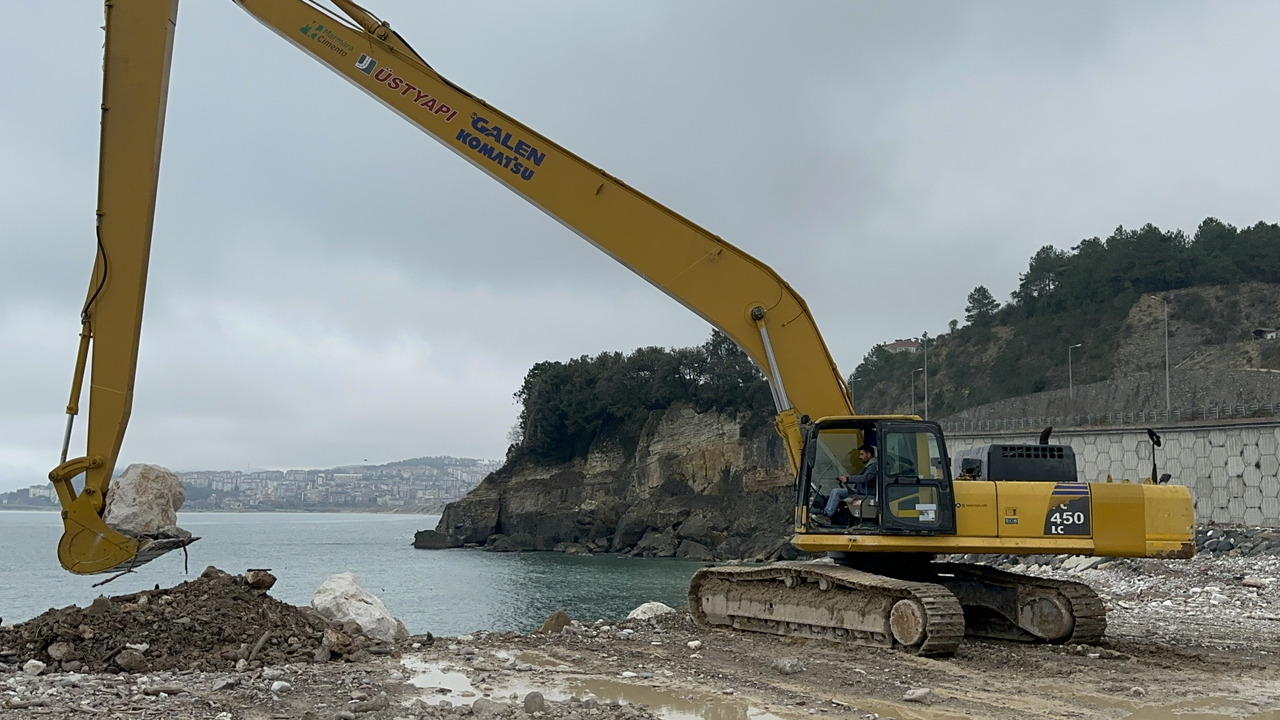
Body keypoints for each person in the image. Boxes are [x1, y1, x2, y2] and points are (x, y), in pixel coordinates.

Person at [818, 444, 878, 521]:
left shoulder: (874, 466)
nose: (860, 457)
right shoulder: (870, 466)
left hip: (867, 492)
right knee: (835, 491)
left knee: (837, 492)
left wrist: (847, 479)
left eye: (862, 454)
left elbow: (864, 478)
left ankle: (828, 516)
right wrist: (843, 479)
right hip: (862, 491)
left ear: (869, 454)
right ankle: (826, 513)